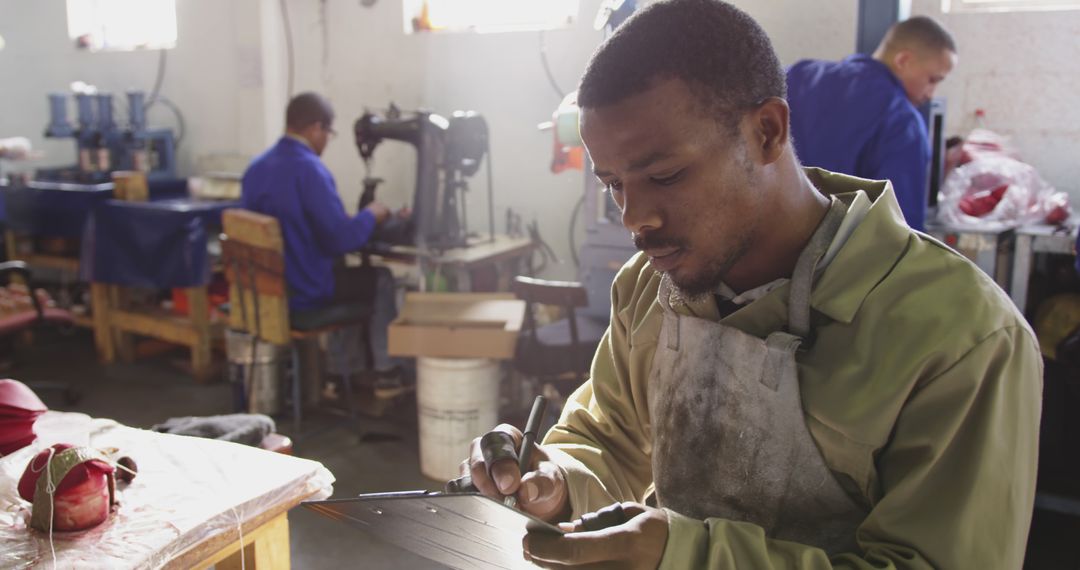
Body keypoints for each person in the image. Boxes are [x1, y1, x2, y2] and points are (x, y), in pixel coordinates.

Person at [464, 1, 1040, 568]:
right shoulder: (649, 287)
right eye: (614, 183)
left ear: (767, 131)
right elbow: (610, 437)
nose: (634, 218)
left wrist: (686, 557)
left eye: (665, 175)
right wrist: (555, 480)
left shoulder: (961, 337)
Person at [241, 92, 401, 375]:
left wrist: (345, 221)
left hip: (267, 293)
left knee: (345, 273)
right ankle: (385, 373)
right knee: (381, 279)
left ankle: (344, 371)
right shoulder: (310, 170)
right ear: (317, 128)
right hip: (306, 293)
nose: (327, 140)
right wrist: (371, 215)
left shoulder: (256, 168)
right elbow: (340, 240)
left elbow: (298, 223)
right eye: (329, 133)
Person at [786, 16, 958, 231]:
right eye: (932, 80)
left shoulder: (800, 75)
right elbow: (899, 227)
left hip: (763, 244)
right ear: (903, 60)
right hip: (836, 257)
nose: (931, 94)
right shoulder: (902, 121)